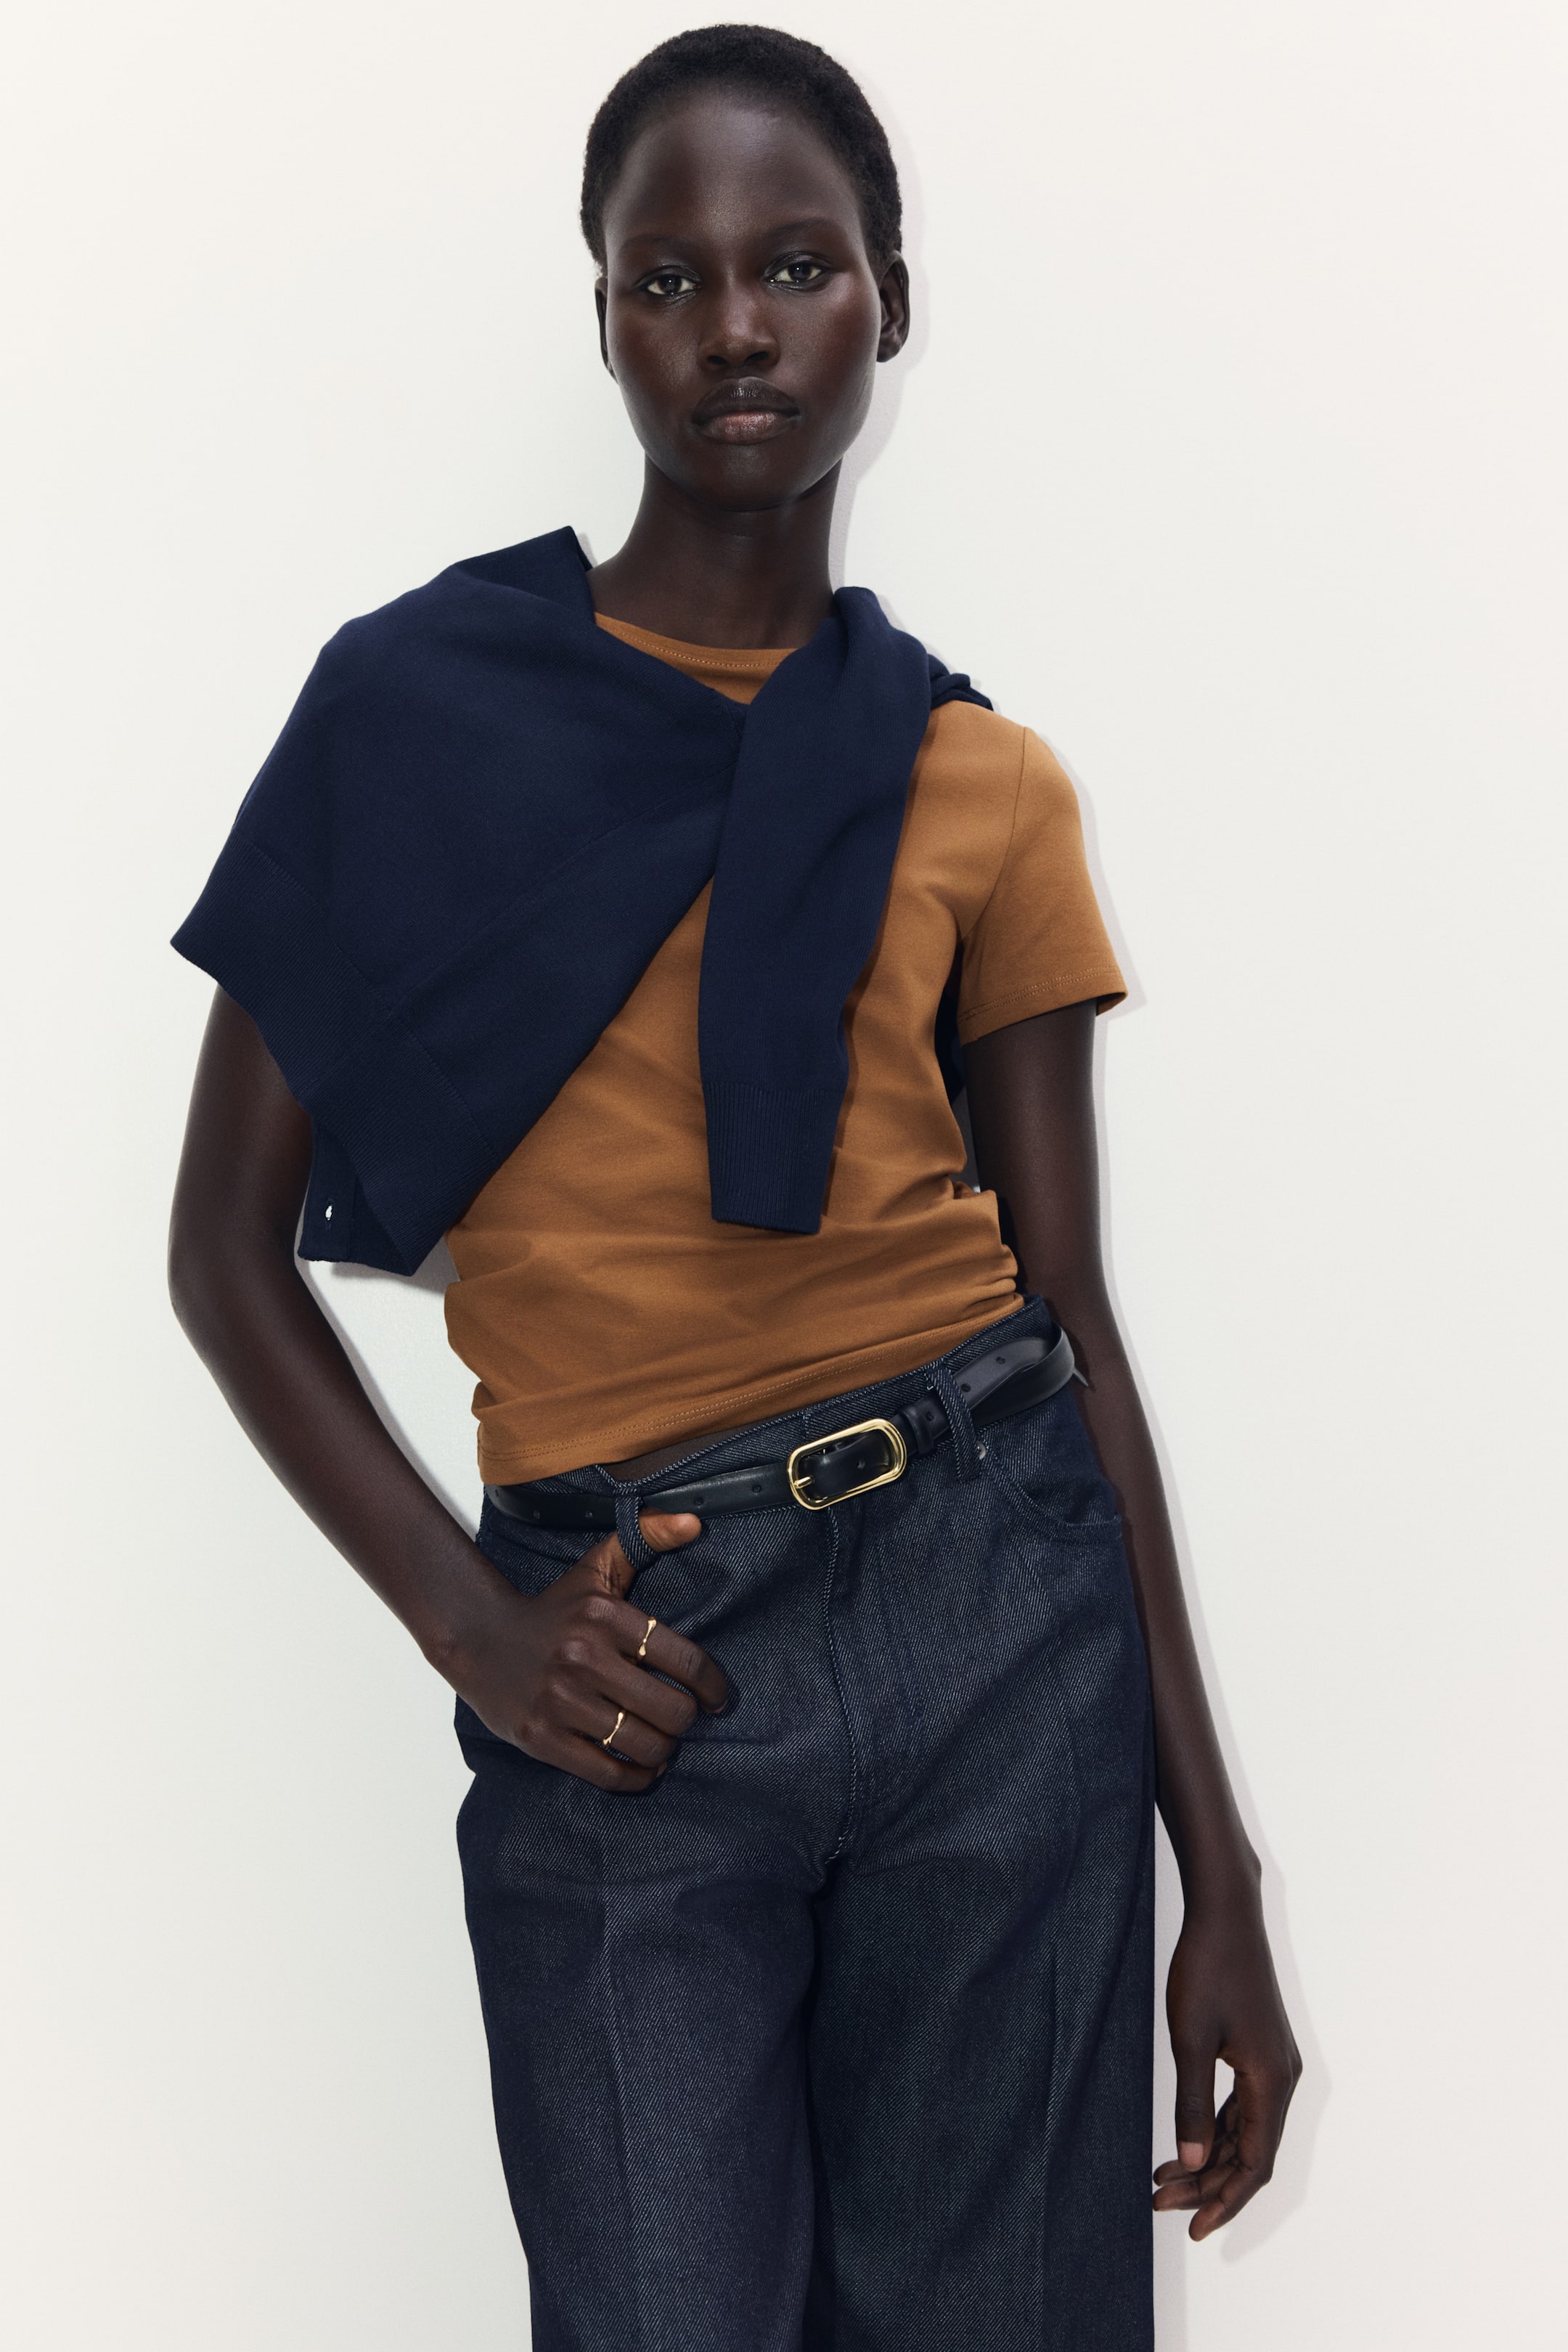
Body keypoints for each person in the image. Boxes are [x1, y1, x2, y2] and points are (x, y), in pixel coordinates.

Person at [169, 24, 1299, 2351]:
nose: (737, 328)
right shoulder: (409, 712)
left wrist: (1225, 1871)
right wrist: (474, 1627)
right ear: (602, 318)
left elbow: (1070, 1321)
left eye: (796, 265)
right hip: (633, 1656)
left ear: (894, 297)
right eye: (668, 279)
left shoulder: (985, 784)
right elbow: (218, 1257)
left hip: (1000, 1618)